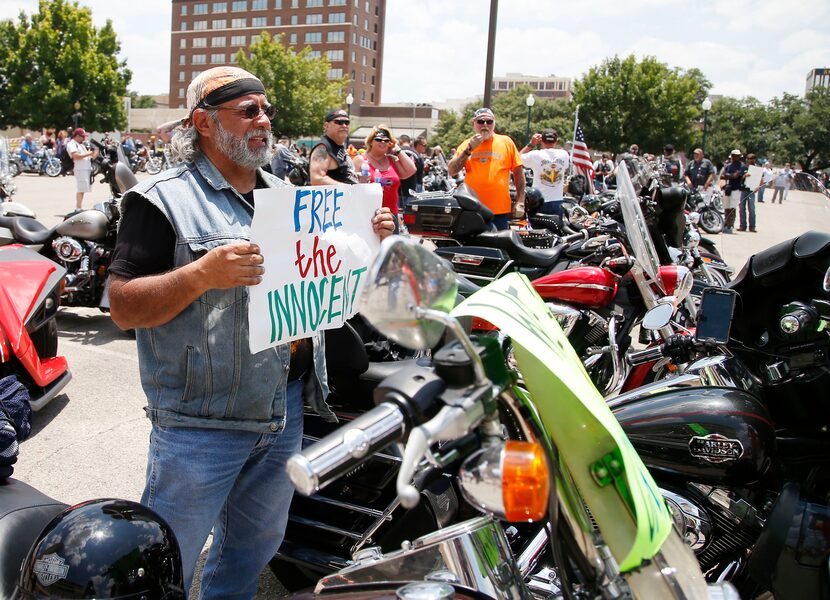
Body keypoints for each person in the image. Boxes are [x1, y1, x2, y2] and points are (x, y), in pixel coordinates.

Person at [107, 66, 395, 600]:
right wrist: (199, 275)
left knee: (253, 546)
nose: (263, 121)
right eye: (248, 111)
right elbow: (122, 307)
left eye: (266, 111)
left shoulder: (288, 197)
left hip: (283, 413)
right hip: (202, 423)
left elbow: (333, 279)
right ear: (205, 122)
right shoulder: (160, 199)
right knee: (168, 558)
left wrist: (370, 241)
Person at [448, 108, 525, 230]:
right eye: (480, 121)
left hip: (499, 211)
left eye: (489, 121)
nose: (485, 125)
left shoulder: (506, 142)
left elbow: (518, 173)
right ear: (473, 123)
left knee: (498, 247)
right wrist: (468, 150)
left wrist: (520, 200)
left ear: (494, 124)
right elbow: (452, 170)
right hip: (472, 210)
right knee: (473, 248)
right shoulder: (466, 144)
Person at [353, 125, 416, 222]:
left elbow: (411, 170)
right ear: (370, 142)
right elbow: (351, 187)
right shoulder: (360, 160)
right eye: (378, 139)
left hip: (391, 216)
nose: (382, 142)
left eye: (386, 140)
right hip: (367, 216)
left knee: (392, 238)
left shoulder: (392, 160)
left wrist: (398, 150)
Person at [519, 128, 570, 216]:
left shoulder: (535, 155)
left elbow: (517, 159)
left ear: (541, 141)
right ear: (556, 141)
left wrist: (531, 144)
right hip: (557, 201)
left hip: (539, 201)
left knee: (537, 229)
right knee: (556, 228)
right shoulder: (564, 155)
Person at [309, 108, 359, 185]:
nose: (344, 125)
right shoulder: (323, 148)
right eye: (339, 122)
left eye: (347, 122)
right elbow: (317, 179)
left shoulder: (339, 146)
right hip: (335, 196)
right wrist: (348, 188)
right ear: (326, 126)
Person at [66, 127, 98, 211]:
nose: (84, 138)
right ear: (77, 136)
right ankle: (78, 208)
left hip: (86, 168)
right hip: (80, 169)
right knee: (81, 189)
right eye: (82, 136)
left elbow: (91, 158)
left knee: (83, 189)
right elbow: (76, 156)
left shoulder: (81, 145)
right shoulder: (72, 144)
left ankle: (79, 207)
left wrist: (96, 152)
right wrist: (89, 153)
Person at [721, 149, 747, 234]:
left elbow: (737, 175)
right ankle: (725, 224)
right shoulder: (728, 166)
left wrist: (729, 176)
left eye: (738, 156)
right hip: (727, 188)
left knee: (732, 207)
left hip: (736, 188)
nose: (737, 157)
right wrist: (730, 175)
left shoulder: (742, 166)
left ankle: (730, 225)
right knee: (726, 207)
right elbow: (723, 175)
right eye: (735, 155)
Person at [396, 134, 424, 203]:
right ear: (410, 142)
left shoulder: (396, 152)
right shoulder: (416, 154)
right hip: (412, 190)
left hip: (398, 189)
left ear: (400, 141)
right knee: (410, 213)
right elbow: (420, 173)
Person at [738, 153, 758, 232]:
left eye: (752, 159)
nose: (751, 160)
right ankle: (743, 226)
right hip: (744, 190)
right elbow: (739, 177)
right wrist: (744, 176)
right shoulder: (743, 167)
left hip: (751, 191)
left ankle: (752, 226)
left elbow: (759, 178)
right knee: (742, 208)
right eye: (749, 159)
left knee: (751, 209)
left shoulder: (756, 168)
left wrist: (757, 187)